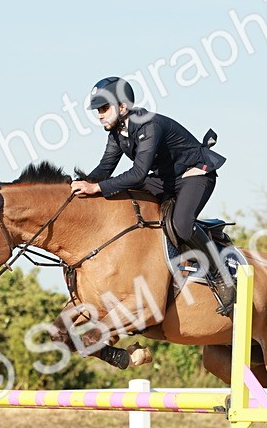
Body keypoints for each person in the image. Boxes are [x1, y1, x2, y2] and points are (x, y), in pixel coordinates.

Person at [71, 76, 234, 315]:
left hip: (195, 174)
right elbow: (104, 170)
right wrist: (79, 186)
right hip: (166, 177)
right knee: (124, 195)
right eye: (98, 110)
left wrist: (96, 188)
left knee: (181, 225)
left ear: (122, 107)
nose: (100, 115)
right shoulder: (116, 134)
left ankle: (222, 276)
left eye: (104, 108)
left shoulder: (148, 125)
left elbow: (138, 174)